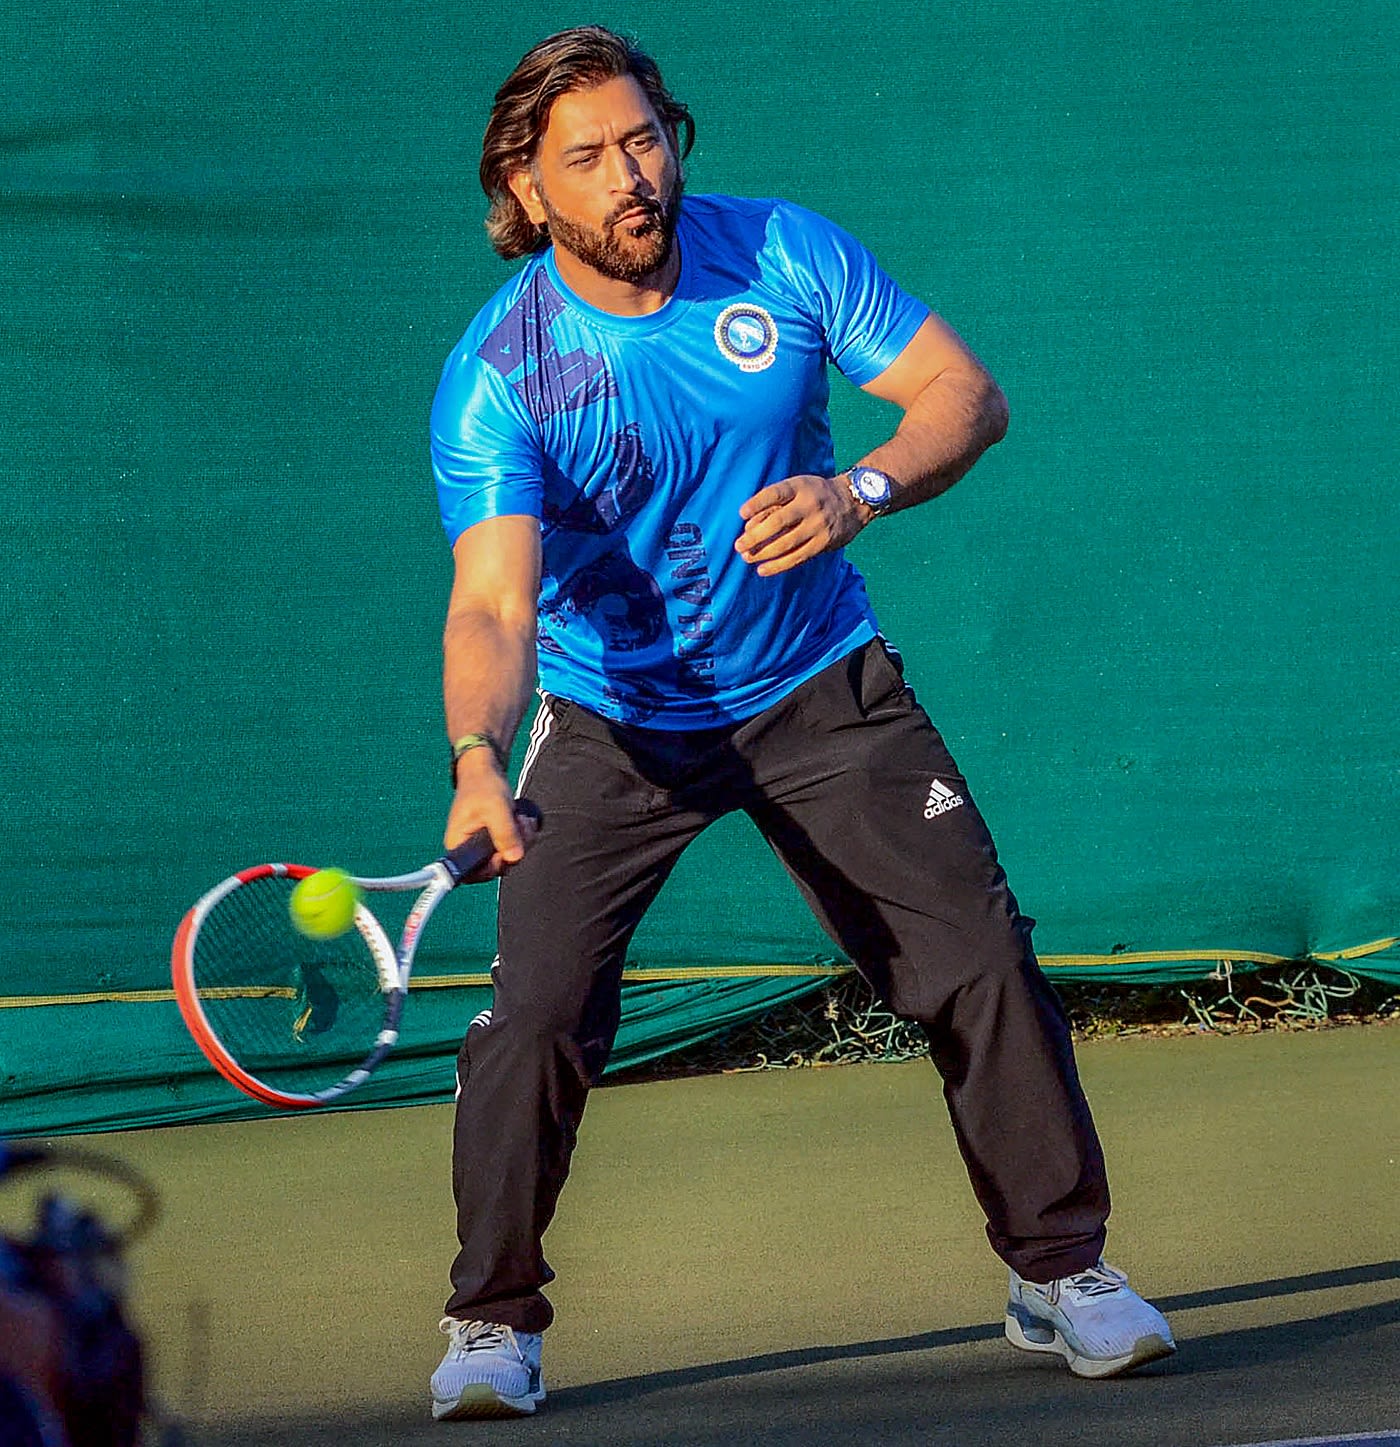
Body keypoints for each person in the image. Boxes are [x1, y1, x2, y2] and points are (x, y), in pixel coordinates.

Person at [427, 25, 1175, 1421]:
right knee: (533, 1020)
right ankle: (490, 1321)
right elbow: (491, 609)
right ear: (527, 191)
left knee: (981, 959)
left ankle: (1061, 1270)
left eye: (645, 138)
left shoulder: (782, 251)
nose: (631, 176)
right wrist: (478, 755)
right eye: (586, 158)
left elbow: (964, 394)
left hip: (821, 683)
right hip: (617, 725)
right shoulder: (502, 374)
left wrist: (861, 492)